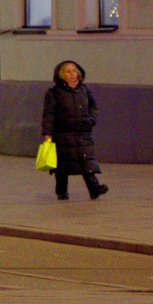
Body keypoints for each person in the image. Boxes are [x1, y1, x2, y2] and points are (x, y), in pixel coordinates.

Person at [43, 59, 107, 200]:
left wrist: (91, 120)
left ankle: (94, 188)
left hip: (82, 133)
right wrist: (47, 133)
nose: (72, 74)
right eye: (68, 72)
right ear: (62, 75)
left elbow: (93, 106)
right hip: (63, 134)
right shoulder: (54, 93)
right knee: (62, 166)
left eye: (74, 71)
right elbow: (48, 114)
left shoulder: (84, 90)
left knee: (86, 161)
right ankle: (61, 191)